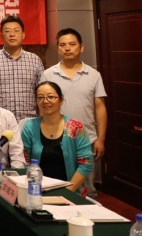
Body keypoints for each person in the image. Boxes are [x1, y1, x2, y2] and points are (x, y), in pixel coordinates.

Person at [43, 28, 107, 197]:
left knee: (88, 190)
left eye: (72, 44)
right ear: (58, 48)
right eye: (62, 45)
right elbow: (43, 106)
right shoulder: (48, 74)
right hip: (56, 140)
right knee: (56, 188)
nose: (67, 48)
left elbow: (100, 107)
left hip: (87, 140)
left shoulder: (94, 75)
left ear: (81, 47)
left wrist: (101, 139)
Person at [21, 81, 94, 197]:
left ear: (61, 100)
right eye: (40, 97)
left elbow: (86, 163)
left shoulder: (75, 127)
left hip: (71, 191)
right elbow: (25, 161)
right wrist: (35, 188)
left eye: (51, 97)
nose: (45, 101)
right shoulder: (30, 127)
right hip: (38, 191)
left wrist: (66, 192)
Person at [0, 15, 44, 121]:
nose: (12, 34)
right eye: (7, 31)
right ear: (1, 36)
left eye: (16, 31)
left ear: (23, 35)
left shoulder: (35, 60)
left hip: (29, 122)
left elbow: (42, 92)